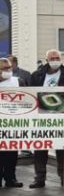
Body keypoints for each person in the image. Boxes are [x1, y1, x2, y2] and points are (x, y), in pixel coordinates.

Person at [29, 49, 64, 188]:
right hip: (41, 116)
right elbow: (30, 94)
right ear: (47, 60)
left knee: (63, 148)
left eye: (57, 57)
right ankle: (39, 177)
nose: (55, 60)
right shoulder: (37, 75)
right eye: (52, 58)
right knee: (40, 147)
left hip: (62, 116)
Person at [0, 57, 23, 188]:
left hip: (13, 124)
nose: (8, 71)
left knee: (11, 155)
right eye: (5, 69)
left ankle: (10, 179)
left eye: (9, 68)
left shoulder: (18, 81)